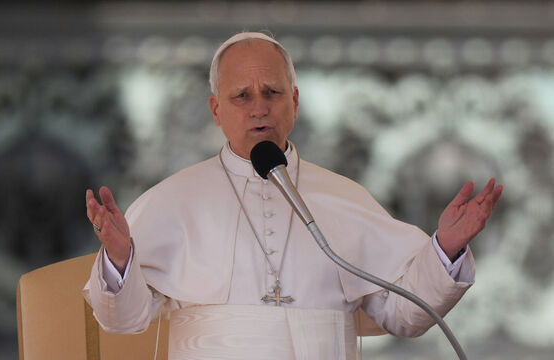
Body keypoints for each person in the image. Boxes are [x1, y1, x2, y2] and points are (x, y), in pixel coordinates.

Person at [83, 32, 502, 359]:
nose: (259, 108)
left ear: (295, 102)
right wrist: (120, 260)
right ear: (216, 110)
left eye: (273, 92)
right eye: (242, 96)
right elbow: (124, 320)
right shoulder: (173, 199)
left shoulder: (344, 196)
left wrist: (445, 249)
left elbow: (404, 316)